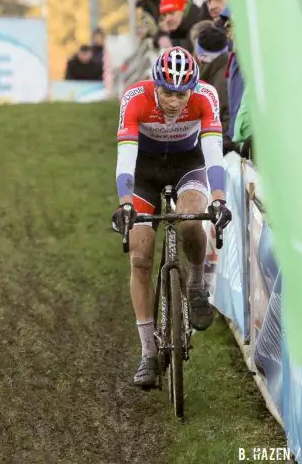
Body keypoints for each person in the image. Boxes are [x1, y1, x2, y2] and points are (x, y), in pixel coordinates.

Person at [112, 46, 232, 388]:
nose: (174, 102)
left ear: (192, 88)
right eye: (166, 92)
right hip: (144, 172)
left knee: (192, 217)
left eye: (181, 94)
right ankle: (148, 353)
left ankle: (196, 284)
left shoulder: (205, 97)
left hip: (187, 165)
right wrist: (125, 203)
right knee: (140, 256)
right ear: (155, 85)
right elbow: (125, 158)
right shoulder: (135, 98)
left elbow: (213, 154)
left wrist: (220, 199)